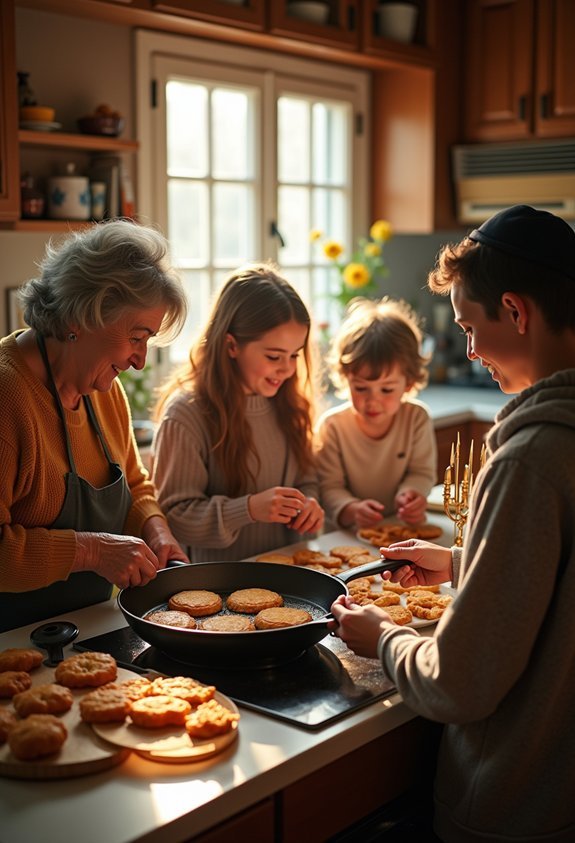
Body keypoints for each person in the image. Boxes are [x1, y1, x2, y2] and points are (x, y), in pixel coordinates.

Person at [330, 205, 575, 842]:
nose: (468, 350)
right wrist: (465, 561)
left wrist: (382, 633)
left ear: (516, 313)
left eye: (469, 326)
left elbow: (459, 685)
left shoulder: (531, 457)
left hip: (519, 801)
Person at [0, 220, 190, 632]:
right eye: (137, 337)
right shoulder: (7, 396)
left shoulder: (103, 388)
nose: (140, 360)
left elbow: (135, 484)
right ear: (84, 316)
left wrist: (155, 530)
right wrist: (92, 551)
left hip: (89, 627)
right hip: (11, 645)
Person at [152, 262, 324, 562]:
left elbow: (306, 481)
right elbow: (174, 517)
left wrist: (309, 504)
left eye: (295, 355)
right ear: (231, 346)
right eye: (274, 356)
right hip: (216, 586)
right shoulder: (186, 415)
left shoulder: (290, 405)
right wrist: (247, 510)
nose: (286, 368)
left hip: (289, 577)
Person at [315, 296, 436, 530]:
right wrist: (351, 508)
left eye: (387, 389)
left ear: (409, 383)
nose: (373, 400)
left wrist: (410, 494)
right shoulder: (333, 427)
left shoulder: (416, 419)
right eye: (360, 388)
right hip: (345, 532)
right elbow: (329, 487)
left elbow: (421, 472)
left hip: (397, 526)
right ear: (345, 378)